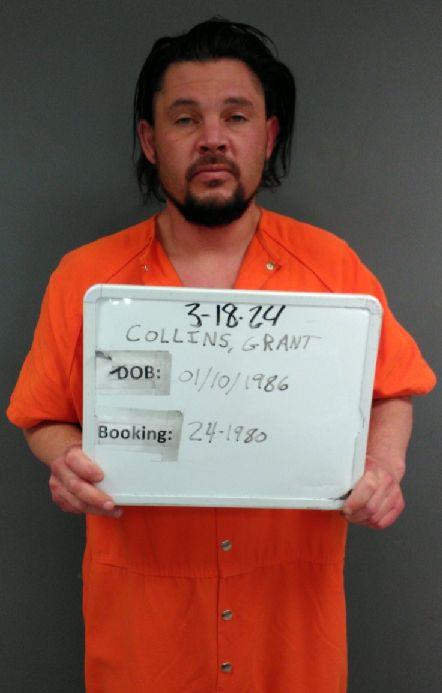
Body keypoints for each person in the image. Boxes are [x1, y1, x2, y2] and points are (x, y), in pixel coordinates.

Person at [7, 18, 436, 693]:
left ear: (268, 135)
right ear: (150, 140)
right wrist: (66, 459)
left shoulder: (331, 269)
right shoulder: (87, 280)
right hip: (144, 627)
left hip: (290, 627)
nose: (213, 138)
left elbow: (391, 390)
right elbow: (41, 415)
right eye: (185, 119)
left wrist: (384, 468)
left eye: (236, 116)